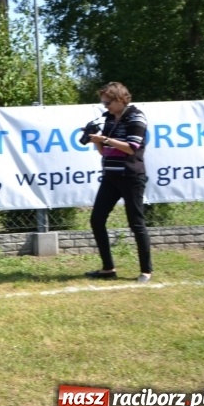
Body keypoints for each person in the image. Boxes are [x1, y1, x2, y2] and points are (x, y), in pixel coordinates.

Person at [84, 82, 153, 283]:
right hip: (110, 177)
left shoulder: (136, 116)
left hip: (131, 177)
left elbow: (131, 147)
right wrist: (96, 140)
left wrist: (105, 139)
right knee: (97, 220)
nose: (106, 107)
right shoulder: (109, 118)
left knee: (136, 223)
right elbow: (104, 152)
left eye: (108, 103)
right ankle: (108, 268)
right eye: (104, 103)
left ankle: (146, 271)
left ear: (121, 99)